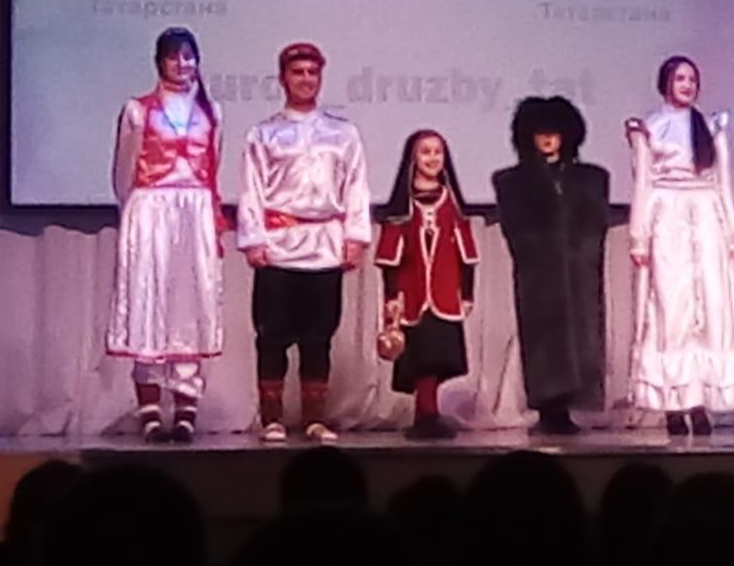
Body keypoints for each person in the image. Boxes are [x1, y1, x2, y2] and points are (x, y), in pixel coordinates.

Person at [238, 41, 371, 443]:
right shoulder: (264, 133)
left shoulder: (343, 133)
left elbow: (356, 186)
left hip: (325, 246)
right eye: (298, 72)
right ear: (283, 79)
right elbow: (251, 189)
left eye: (313, 73)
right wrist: (253, 239)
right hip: (279, 246)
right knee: (272, 336)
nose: (306, 79)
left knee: (319, 336)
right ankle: (272, 419)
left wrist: (355, 237)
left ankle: (315, 418)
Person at [108, 26, 227, 443]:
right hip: (151, 209)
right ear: (159, 62)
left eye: (188, 56)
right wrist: (136, 214)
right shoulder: (138, 111)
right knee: (149, 302)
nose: (182, 64)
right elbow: (123, 172)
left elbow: (214, 166)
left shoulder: (212, 112)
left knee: (189, 305)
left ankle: (186, 410)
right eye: (174, 56)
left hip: (194, 210)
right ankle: (151, 411)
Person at [626, 56, 734, 436]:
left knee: (707, 307)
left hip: (706, 215)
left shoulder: (709, 126)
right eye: (680, 78)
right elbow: (643, 183)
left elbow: (723, 181)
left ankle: (699, 401)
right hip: (667, 215)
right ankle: (672, 403)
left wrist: (731, 230)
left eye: (692, 79)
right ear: (666, 82)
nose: (687, 85)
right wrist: (639, 235)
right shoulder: (649, 127)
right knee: (671, 307)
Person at [493, 96, 610, 435]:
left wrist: (582, 256)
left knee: (582, 338)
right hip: (539, 275)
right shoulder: (513, 181)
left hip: (578, 272)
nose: (547, 139)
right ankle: (548, 409)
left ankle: (569, 407)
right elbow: (515, 228)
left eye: (554, 131)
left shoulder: (590, 178)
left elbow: (595, 225)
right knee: (542, 340)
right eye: (540, 132)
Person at [375, 129, 479, 439]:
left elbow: (466, 251)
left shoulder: (452, 202)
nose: (432, 158)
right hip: (411, 293)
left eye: (437, 152)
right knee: (420, 356)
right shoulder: (402, 206)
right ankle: (426, 415)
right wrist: (391, 295)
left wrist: (467, 292)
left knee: (439, 354)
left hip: (445, 292)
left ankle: (428, 413)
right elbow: (390, 255)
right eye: (425, 152)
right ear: (413, 158)